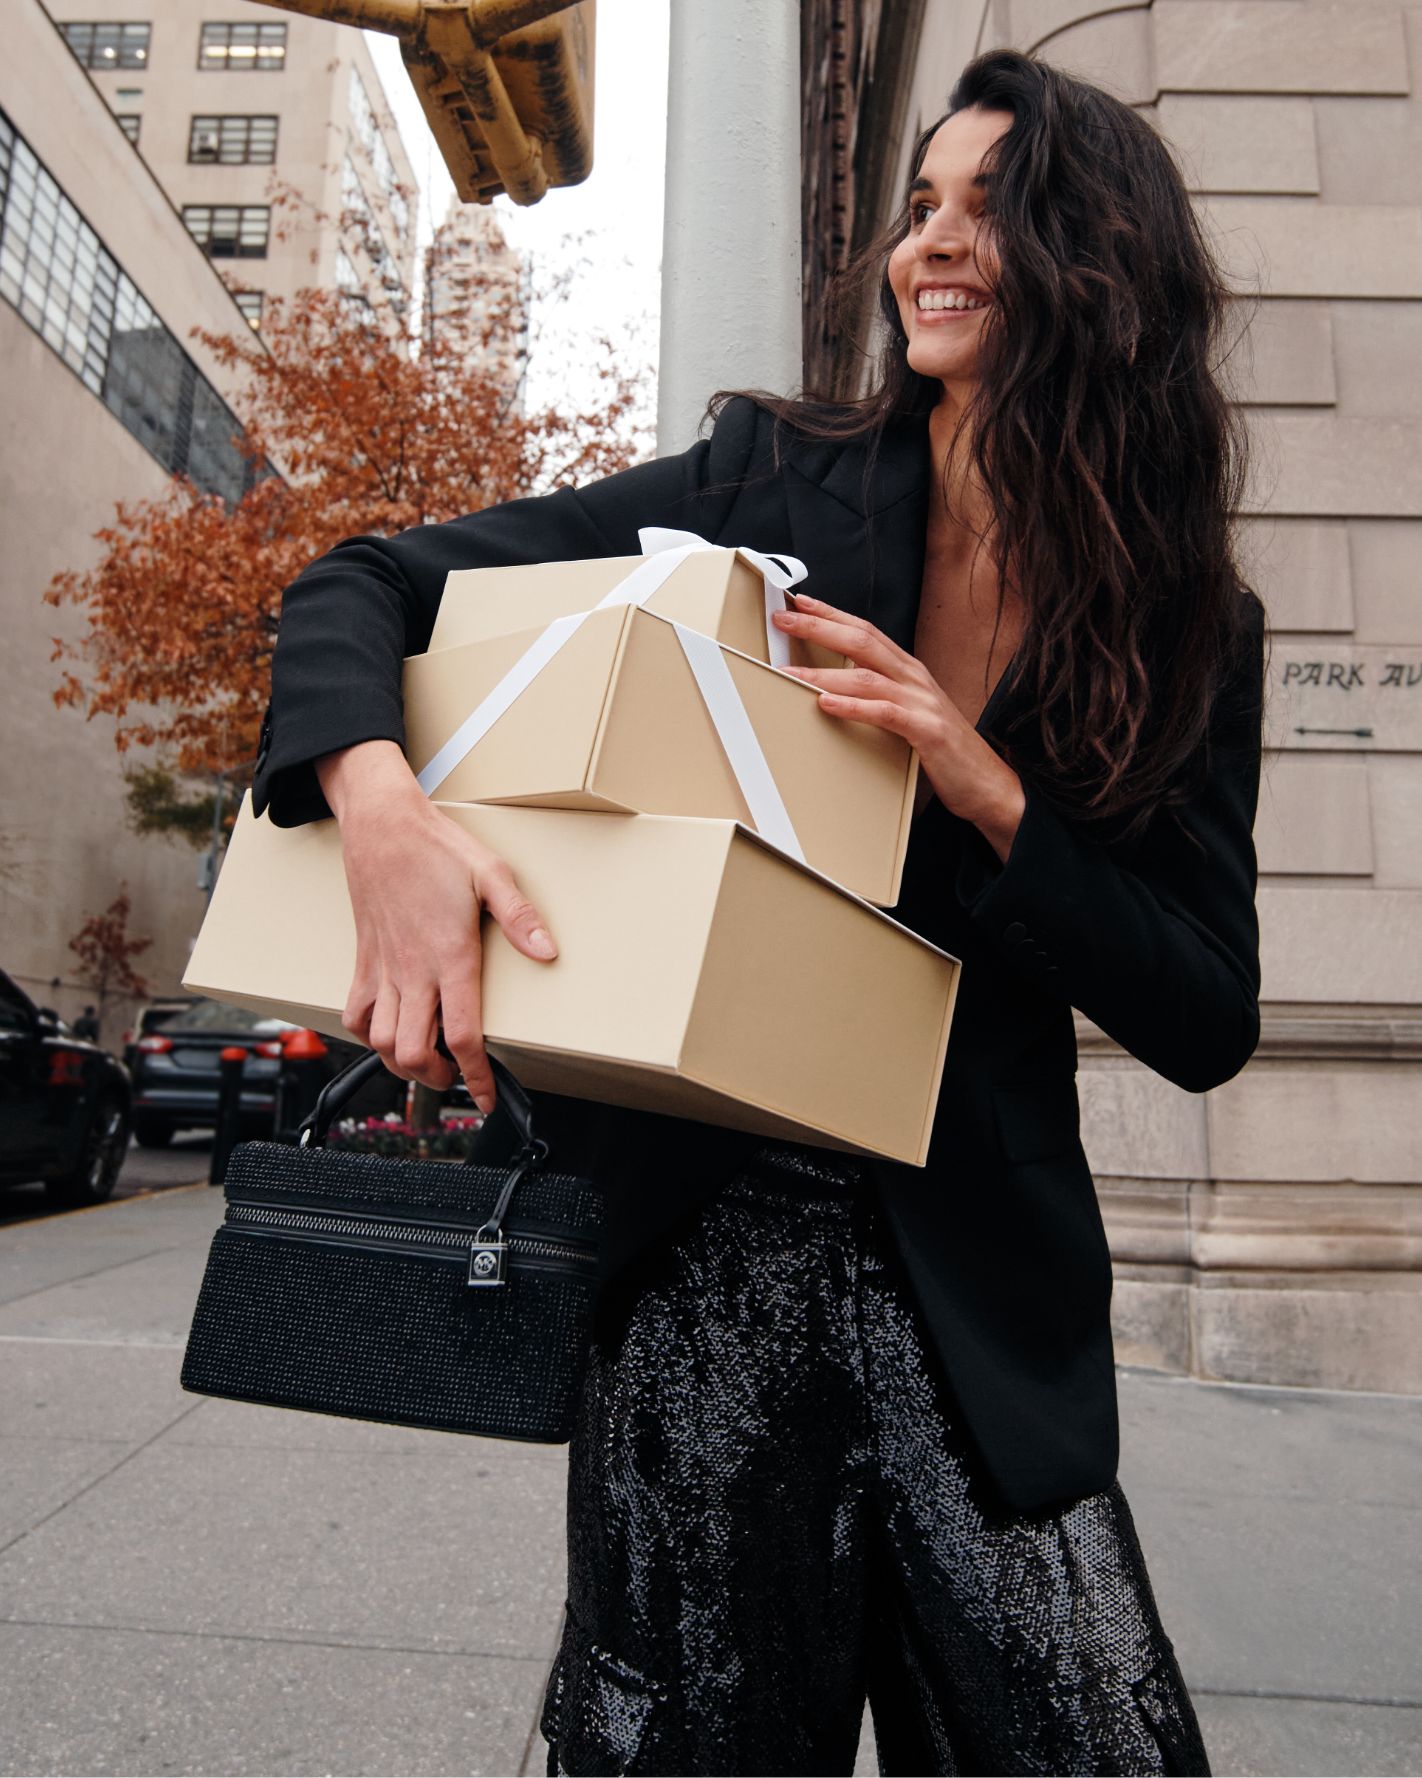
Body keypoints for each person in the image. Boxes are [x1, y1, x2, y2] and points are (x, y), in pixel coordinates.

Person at [253, 48, 1265, 1778]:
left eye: (984, 207)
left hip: (980, 1287)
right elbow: (368, 577)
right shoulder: (767, 479)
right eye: (918, 204)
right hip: (709, 1253)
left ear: (1092, 253)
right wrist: (378, 804)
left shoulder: (1188, 623)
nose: (928, 244)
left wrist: (982, 784)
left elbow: (1203, 1010)